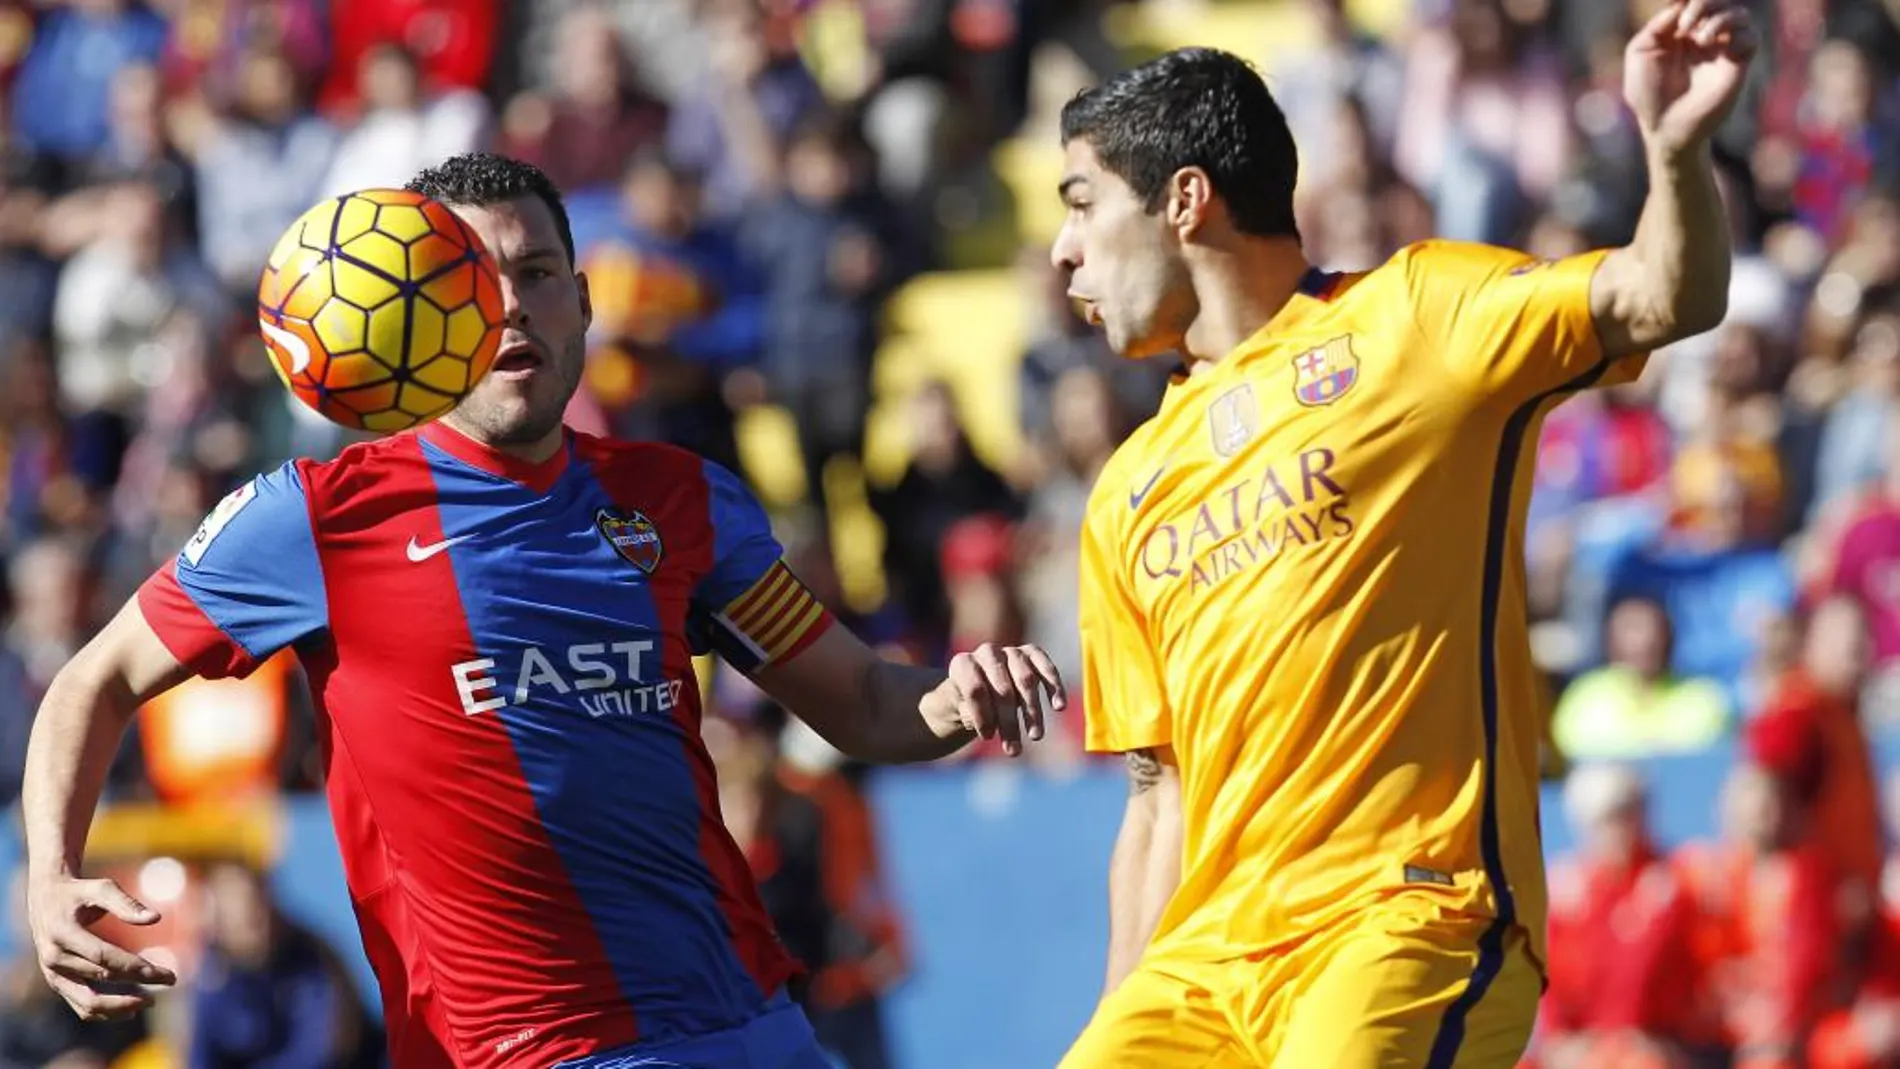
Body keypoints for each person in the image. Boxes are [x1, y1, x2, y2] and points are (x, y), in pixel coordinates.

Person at [18, 151, 1065, 1069]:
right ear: (416, 307)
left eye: (537, 273)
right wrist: (52, 875)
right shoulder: (315, 518)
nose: (511, 304)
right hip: (523, 1049)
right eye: (472, 279)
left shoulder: (679, 498)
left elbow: (868, 702)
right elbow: (94, 678)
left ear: (582, 302)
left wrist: (958, 694)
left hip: (754, 1023)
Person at [1050, 1, 1755, 1064]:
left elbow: (1664, 296)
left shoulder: (1413, 317)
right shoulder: (1128, 489)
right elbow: (1160, 795)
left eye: (1080, 202)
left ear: (1184, 200)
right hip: (1203, 967)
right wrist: (1118, 1023)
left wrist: (1673, 152)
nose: (1061, 250)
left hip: (1400, 918)